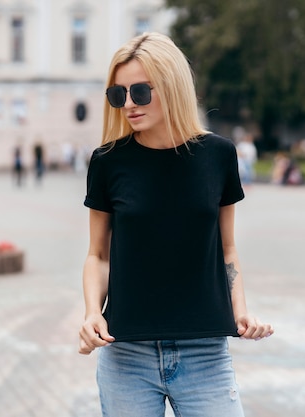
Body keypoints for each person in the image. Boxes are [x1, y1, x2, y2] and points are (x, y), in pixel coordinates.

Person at [79, 32, 273, 417]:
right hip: (126, 355)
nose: (129, 104)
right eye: (118, 95)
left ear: (171, 85)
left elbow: (227, 248)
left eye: (139, 92)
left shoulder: (218, 156)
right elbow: (98, 255)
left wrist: (241, 311)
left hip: (205, 353)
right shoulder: (107, 162)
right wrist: (91, 312)